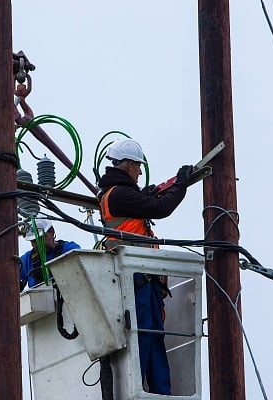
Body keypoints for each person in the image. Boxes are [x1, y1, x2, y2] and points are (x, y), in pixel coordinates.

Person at [97, 138, 192, 395]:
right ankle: (137, 392)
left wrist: (146, 195)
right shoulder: (119, 195)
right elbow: (161, 208)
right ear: (128, 166)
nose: (140, 171)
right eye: (138, 166)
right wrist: (181, 185)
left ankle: (161, 394)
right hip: (136, 281)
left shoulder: (117, 195)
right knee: (143, 340)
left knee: (153, 339)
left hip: (143, 280)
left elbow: (141, 205)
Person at [19, 216, 81, 290]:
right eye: (33, 241)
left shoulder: (69, 250)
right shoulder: (27, 260)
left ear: (51, 232)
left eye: (41, 238)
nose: (38, 245)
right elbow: (8, 272)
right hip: (40, 300)